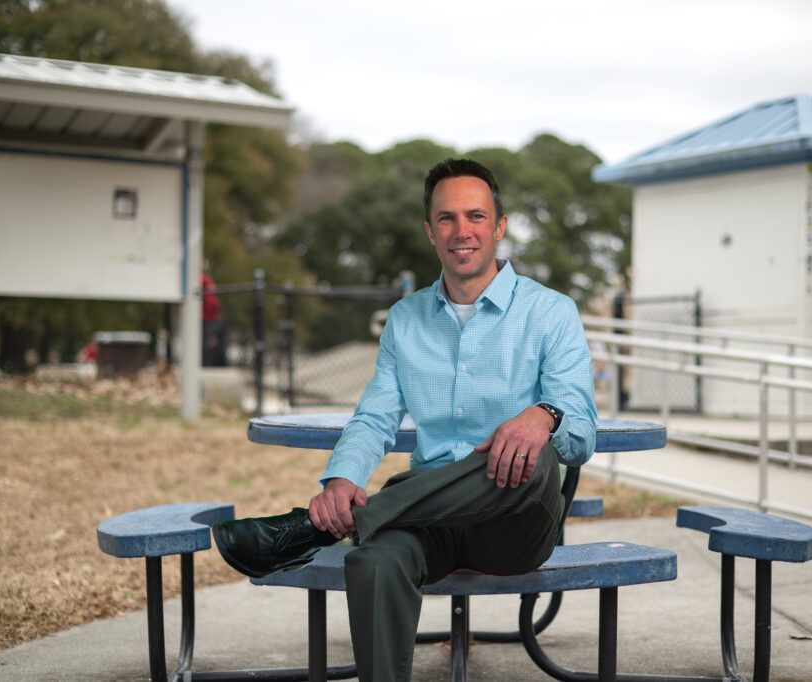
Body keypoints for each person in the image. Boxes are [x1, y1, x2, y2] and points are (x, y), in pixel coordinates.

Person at [212, 158, 598, 681]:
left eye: (476, 216)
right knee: (371, 561)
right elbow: (374, 417)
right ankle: (347, 525)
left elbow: (581, 434)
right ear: (429, 232)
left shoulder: (552, 312)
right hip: (423, 518)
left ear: (500, 227)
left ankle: (315, 530)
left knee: (531, 454)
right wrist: (342, 481)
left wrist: (543, 414)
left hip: (513, 524)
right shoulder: (406, 319)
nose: (462, 231)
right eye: (446, 219)